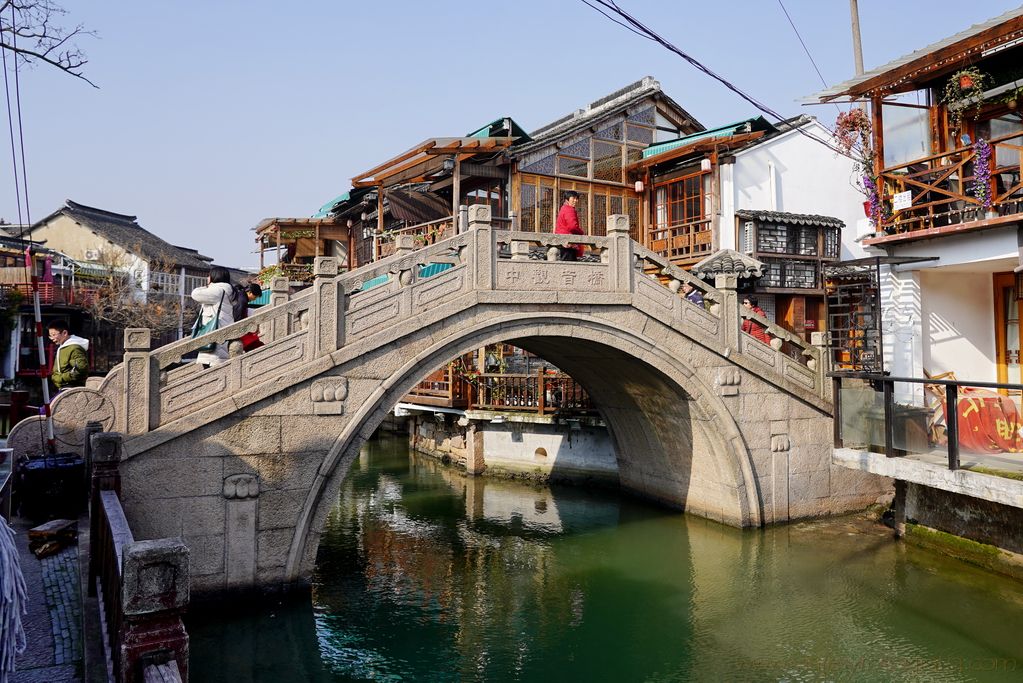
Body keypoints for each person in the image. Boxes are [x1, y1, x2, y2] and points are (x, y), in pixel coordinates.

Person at [191, 267, 236, 367]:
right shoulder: (227, 290)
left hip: (214, 334)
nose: (208, 278)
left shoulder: (217, 291)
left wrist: (206, 286)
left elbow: (195, 294)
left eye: (209, 275)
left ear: (214, 276)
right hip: (221, 330)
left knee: (212, 365)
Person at [47, 321, 89, 390]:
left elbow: (81, 369)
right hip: (64, 387)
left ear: (64, 333)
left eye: (54, 335)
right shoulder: (63, 347)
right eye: (50, 336)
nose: (52, 338)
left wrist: (61, 378)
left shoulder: (74, 348)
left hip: (71, 387)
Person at [555, 190, 585, 261]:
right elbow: (572, 227)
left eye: (576, 199)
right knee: (570, 266)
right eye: (573, 198)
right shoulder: (569, 209)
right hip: (568, 242)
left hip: (563, 241)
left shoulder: (563, 208)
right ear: (567, 199)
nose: (576, 200)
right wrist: (581, 232)